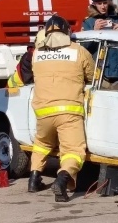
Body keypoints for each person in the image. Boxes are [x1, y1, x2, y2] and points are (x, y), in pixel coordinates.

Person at [28, 15, 95, 201]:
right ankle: (62, 179)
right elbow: (91, 76)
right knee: (74, 151)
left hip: (43, 113)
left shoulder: (37, 53)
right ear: (67, 32)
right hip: (69, 112)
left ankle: (34, 179)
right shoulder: (79, 51)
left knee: (42, 144)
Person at [82, 0, 118, 81]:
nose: (103, 6)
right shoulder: (89, 22)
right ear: (94, 4)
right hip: (101, 72)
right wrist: (94, 31)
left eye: (105, 3)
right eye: (99, 3)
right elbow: (84, 47)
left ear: (109, 2)